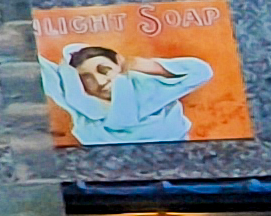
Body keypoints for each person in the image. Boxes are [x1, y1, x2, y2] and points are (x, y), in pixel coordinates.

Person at [42, 40, 215, 146]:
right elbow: (39, 69)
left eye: (105, 70)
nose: (100, 82)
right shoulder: (78, 101)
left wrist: (146, 65)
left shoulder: (147, 87)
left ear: (119, 64)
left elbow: (201, 72)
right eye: (87, 79)